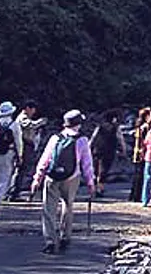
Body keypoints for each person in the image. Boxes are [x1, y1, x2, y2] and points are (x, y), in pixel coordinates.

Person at [32, 109, 96, 256]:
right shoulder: (82, 140)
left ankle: (50, 241)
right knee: (68, 205)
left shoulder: (55, 138)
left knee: (48, 209)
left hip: (52, 177)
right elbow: (87, 163)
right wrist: (90, 182)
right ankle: (65, 236)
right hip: (71, 177)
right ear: (78, 124)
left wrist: (37, 178)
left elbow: (45, 159)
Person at [11, 101, 47, 201]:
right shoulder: (22, 117)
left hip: (28, 145)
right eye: (33, 109)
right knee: (20, 169)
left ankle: (15, 192)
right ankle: (13, 192)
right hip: (25, 145)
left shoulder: (25, 117)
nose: (34, 112)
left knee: (23, 169)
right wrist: (41, 122)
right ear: (27, 108)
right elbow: (30, 125)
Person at [89, 110, 126, 198]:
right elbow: (121, 139)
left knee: (95, 169)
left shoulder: (100, 126)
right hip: (109, 151)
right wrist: (123, 150)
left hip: (97, 150)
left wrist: (88, 148)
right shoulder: (116, 128)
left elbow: (93, 138)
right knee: (104, 170)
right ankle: (99, 189)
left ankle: (93, 189)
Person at [128, 107, 151, 202]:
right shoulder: (145, 127)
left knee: (137, 175)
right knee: (141, 175)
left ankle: (133, 195)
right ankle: (138, 196)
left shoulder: (139, 125)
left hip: (137, 152)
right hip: (142, 153)